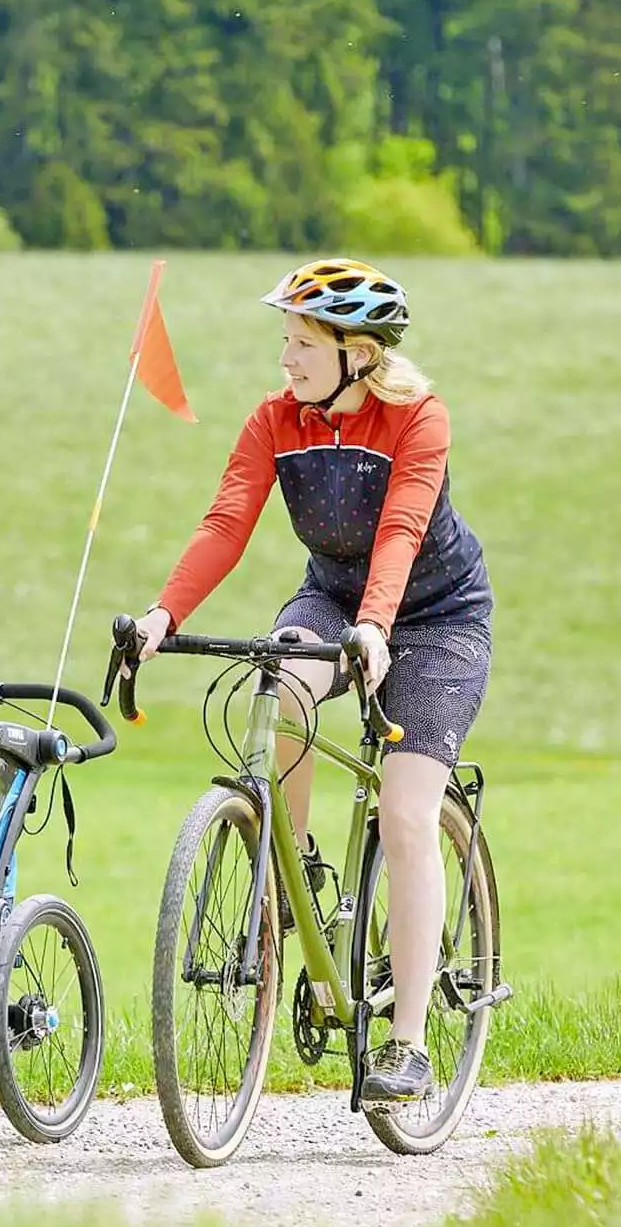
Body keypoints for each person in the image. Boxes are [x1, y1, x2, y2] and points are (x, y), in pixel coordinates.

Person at [129, 258, 494, 1105]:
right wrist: (161, 617)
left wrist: (378, 625)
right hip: (332, 600)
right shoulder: (275, 422)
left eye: (301, 343)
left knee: (406, 814)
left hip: (437, 621)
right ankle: (291, 877)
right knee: (279, 684)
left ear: (358, 353)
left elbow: (402, 528)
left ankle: (407, 1045)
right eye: (285, 340)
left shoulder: (417, 418)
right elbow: (227, 523)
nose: (285, 359)